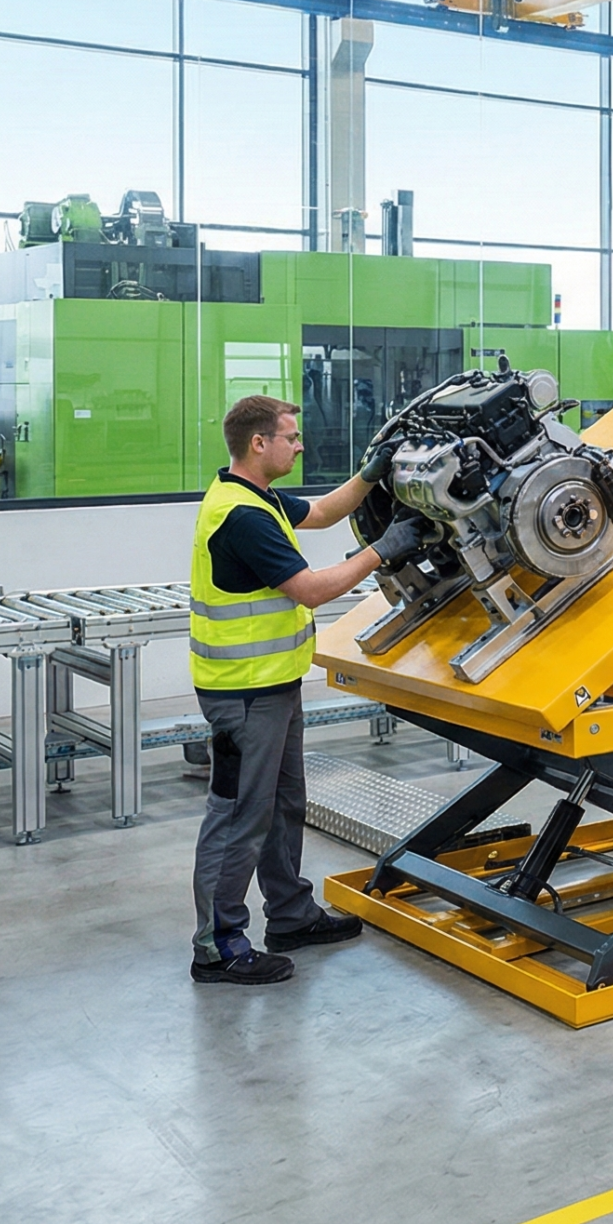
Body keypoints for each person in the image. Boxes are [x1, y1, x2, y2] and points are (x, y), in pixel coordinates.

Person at [189, 395, 423, 986]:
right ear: (258, 444)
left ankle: (290, 915)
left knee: (284, 805)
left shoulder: (256, 497)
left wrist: (372, 475)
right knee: (241, 815)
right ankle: (218, 946)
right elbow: (313, 589)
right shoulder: (241, 516)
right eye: (290, 437)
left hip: (274, 687)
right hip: (244, 696)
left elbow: (320, 512)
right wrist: (384, 549)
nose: (298, 445)